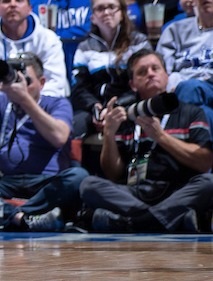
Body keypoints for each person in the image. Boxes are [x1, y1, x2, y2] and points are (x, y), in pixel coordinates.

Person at [0, 52, 86, 231]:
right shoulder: (0, 103)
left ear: (42, 83)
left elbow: (58, 137)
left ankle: (6, 215)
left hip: (46, 182)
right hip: (6, 182)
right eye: (15, 80)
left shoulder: (57, 103)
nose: (20, 86)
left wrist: (25, 100)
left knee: (78, 177)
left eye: (27, 81)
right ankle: (23, 218)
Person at [79, 49, 213, 233]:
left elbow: (204, 163)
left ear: (167, 76)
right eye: (142, 72)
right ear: (133, 84)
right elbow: (112, 173)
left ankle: (135, 222)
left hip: (177, 192)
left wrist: (161, 137)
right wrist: (109, 134)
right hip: (135, 193)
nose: (150, 74)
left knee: (209, 182)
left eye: (155, 69)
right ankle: (166, 219)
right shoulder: (126, 116)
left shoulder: (191, 112)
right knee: (89, 185)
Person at [71, 0, 152, 138]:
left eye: (112, 7)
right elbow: (79, 87)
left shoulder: (139, 42)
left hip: (128, 105)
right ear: (93, 17)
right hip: (93, 109)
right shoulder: (85, 47)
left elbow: (142, 84)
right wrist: (95, 107)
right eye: (100, 9)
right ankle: (75, 163)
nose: (106, 12)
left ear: (122, 13)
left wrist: (116, 106)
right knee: (72, 126)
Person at [158, 0, 213, 129]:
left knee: (190, 88)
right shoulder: (174, 31)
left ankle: (163, 145)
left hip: (203, 88)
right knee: (203, 114)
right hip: (179, 92)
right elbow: (162, 71)